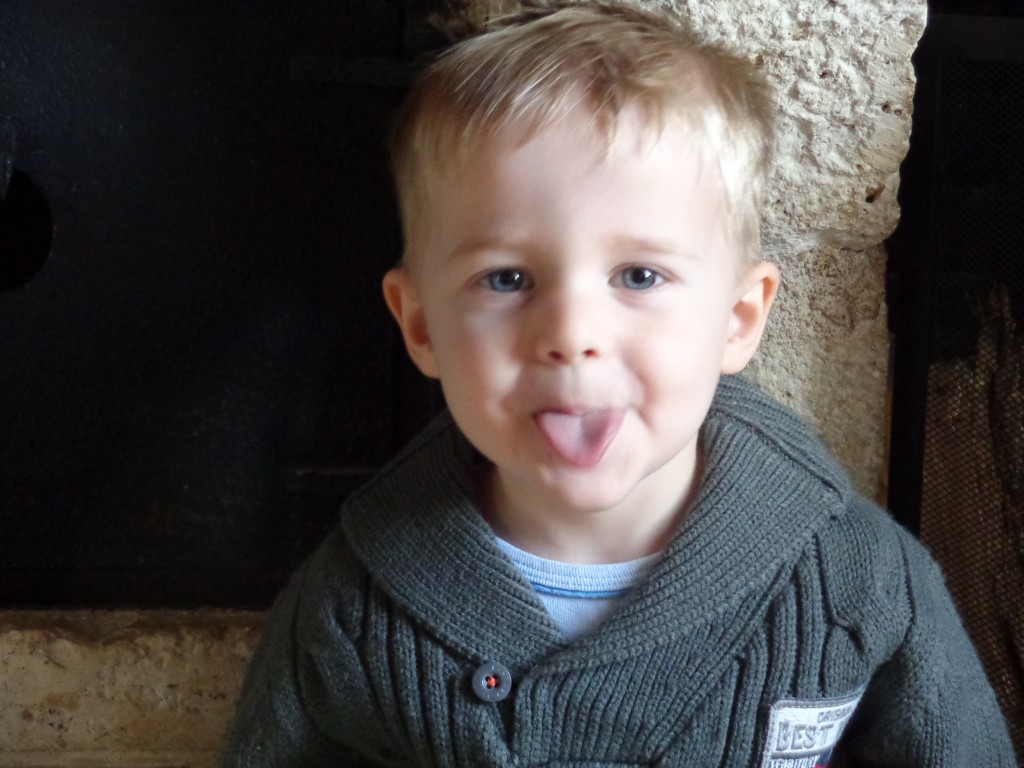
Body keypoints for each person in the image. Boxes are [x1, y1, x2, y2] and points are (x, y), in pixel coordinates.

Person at [222, 3, 1017, 766]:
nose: (572, 335)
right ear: (422, 325)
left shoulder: (855, 575)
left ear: (738, 318)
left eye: (639, 275)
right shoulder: (355, 598)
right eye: (506, 279)